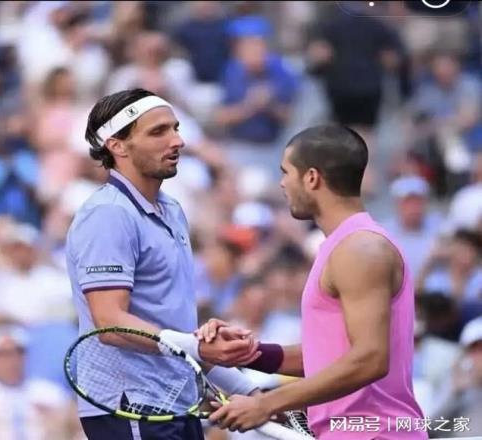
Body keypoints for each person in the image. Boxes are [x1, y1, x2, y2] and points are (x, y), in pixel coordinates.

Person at [199, 124, 427, 439]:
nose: (281, 183)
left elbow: (371, 359)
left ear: (311, 178)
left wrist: (267, 403)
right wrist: (248, 353)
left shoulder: (360, 249)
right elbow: (329, 358)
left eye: (286, 172)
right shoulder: (344, 246)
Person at [65, 88, 261, 440]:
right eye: (158, 132)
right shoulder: (108, 214)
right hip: (130, 406)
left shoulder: (172, 209)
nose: (178, 141)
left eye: (175, 128)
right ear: (117, 146)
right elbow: (109, 324)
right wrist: (199, 347)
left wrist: (250, 391)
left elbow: (174, 331)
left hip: (175, 402)